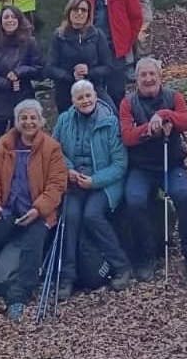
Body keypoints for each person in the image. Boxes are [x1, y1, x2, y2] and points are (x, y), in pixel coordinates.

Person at [0, 100, 68, 321]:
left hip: (36, 212)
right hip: (7, 208)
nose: (29, 122)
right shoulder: (4, 144)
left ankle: (18, 297)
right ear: (17, 121)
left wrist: (38, 209)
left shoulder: (51, 148)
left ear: (41, 121)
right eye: (24, 118)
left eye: (33, 118)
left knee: (33, 246)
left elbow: (57, 184)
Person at [120, 58, 187, 282]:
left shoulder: (173, 96)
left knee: (183, 196)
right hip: (141, 167)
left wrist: (166, 115)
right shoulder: (128, 103)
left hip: (171, 162)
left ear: (159, 76)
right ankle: (146, 254)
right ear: (136, 79)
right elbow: (127, 137)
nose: (148, 79)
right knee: (134, 200)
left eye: (152, 74)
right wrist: (149, 129)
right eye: (143, 75)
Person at [52, 80, 133, 298]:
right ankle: (67, 277)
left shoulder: (110, 122)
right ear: (73, 101)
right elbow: (55, 151)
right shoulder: (64, 121)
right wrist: (68, 170)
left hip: (104, 183)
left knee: (92, 215)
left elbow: (120, 163)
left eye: (88, 96)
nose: (85, 100)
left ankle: (121, 266)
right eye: (80, 97)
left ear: (95, 97)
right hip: (75, 181)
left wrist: (95, 180)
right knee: (70, 216)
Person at [0, 5, 44, 162]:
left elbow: (40, 69)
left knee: (24, 144)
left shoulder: (30, 42)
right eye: (6, 17)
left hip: (23, 97)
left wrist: (20, 72)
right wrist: (5, 82)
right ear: (0, 21)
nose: (10, 21)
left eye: (13, 17)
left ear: (19, 20)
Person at [78, 0, 143, 107]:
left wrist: (127, 41)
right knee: (94, 89)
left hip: (115, 48)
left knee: (117, 91)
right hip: (92, 47)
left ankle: (119, 126)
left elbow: (136, 17)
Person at [46, 0, 114, 113]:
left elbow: (108, 66)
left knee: (112, 113)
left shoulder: (97, 35)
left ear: (88, 14)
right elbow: (50, 68)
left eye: (83, 10)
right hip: (66, 90)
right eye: (75, 9)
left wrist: (89, 72)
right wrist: (72, 76)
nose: (79, 13)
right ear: (69, 12)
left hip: (93, 87)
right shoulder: (59, 36)